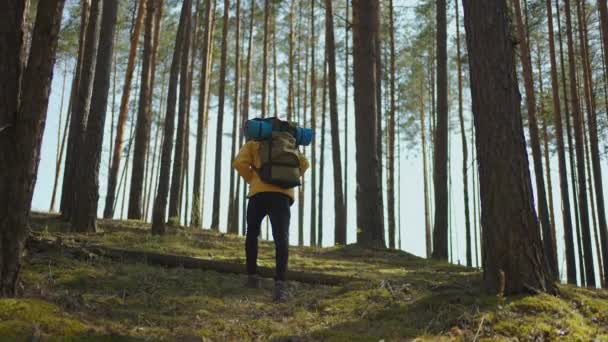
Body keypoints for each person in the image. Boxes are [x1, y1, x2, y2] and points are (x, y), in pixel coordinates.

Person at [233, 138, 309, 302]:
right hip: (282, 195)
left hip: (258, 193)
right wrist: (286, 177)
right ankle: (280, 285)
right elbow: (304, 164)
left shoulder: (254, 144)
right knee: (281, 238)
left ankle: (252, 277)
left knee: (252, 233)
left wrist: (253, 179)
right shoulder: (289, 145)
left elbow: (239, 163)